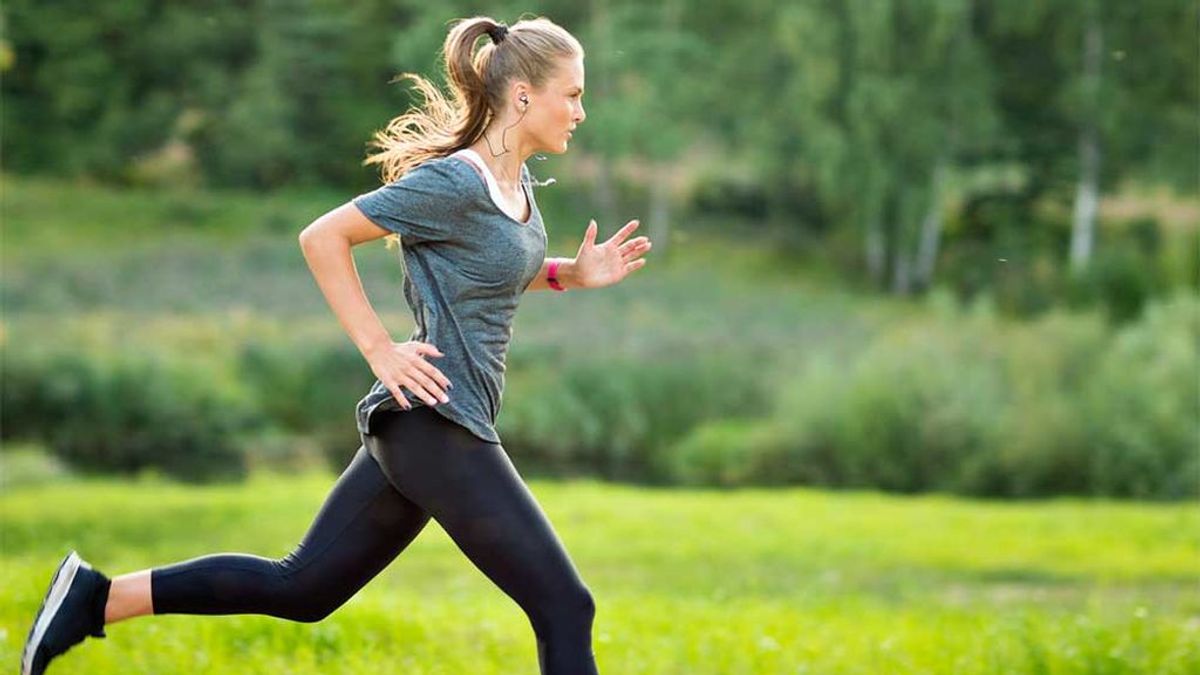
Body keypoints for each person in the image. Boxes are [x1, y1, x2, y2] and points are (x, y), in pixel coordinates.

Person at [21, 15, 652, 675]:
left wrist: (570, 275)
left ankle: (94, 598)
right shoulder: (456, 182)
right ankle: (92, 598)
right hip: (438, 422)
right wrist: (381, 350)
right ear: (523, 95)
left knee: (303, 588)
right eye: (572, 93)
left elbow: (490, 274)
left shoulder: (515, 183)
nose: (581, 110)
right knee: (565, 607)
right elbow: (322, 237)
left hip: (425, 426)